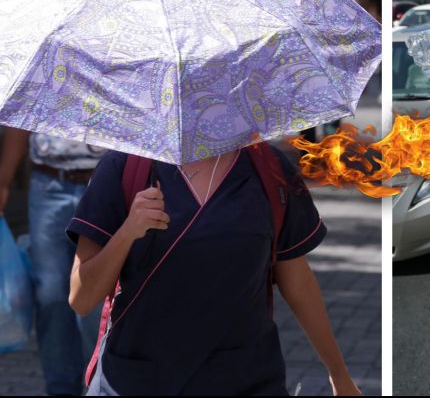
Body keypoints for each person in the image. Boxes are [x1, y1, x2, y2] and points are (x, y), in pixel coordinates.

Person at [66, 146, 362, 395]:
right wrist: (128, 231)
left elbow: (298, 284)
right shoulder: (124, 166)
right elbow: (81, 298)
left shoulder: (268, 168)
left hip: (246, 380)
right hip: (138, 380)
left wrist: (338, 374)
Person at [0, 129, 103, 395]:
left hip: (104, 181)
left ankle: (98, 383)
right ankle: (60, 388)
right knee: (50, 292)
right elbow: (21, 118)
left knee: (97, 294)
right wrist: (4, 178)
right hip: (47, 182)